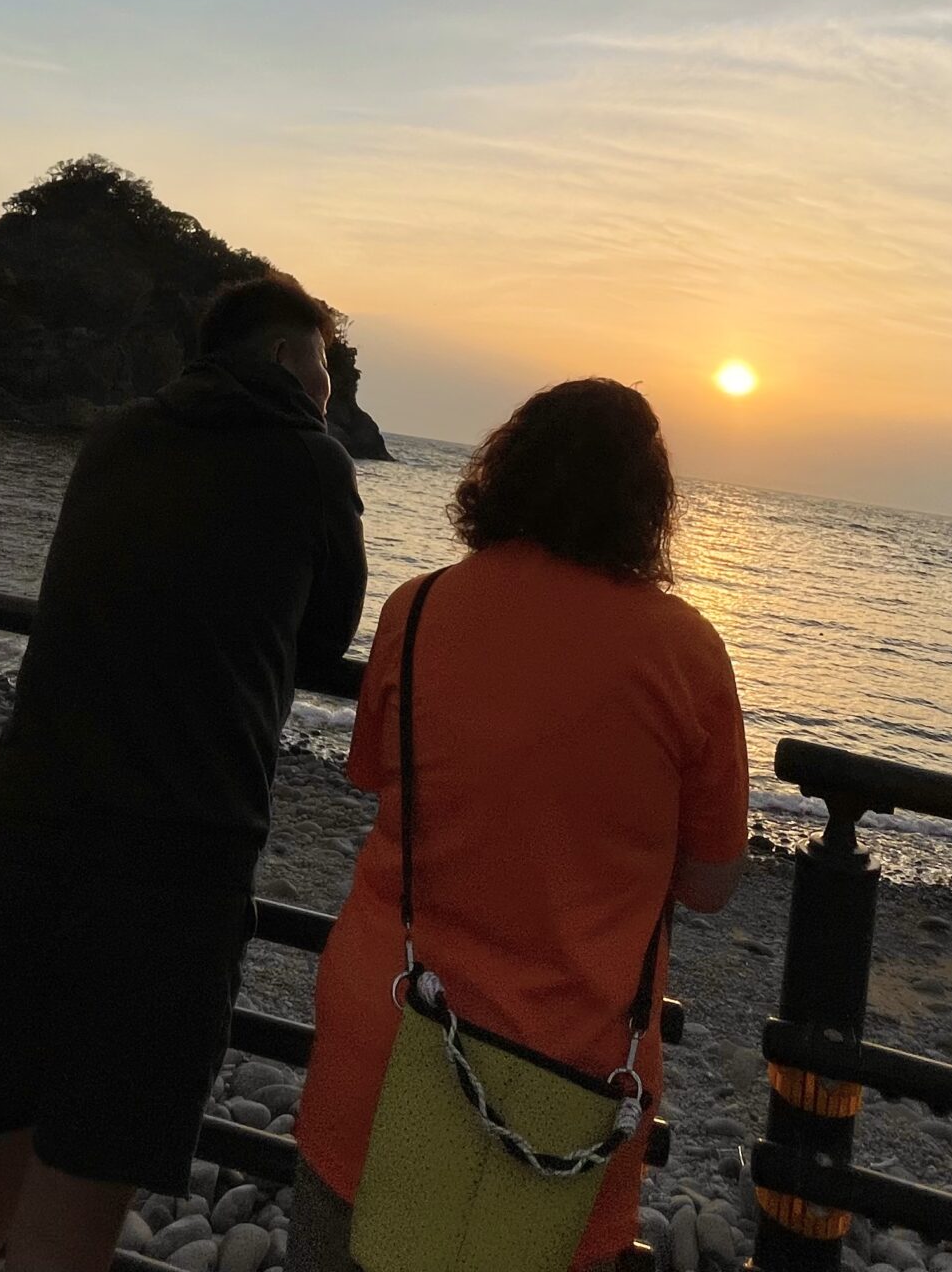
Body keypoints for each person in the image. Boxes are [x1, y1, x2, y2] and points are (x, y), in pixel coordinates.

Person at [0, 270, 367, 1272]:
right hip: (175, 864)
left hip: (21, 829)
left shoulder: (115, 437)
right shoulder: (311, 460)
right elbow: (330, 635)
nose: (329, 388)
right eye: (326, 365)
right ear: (287, 356)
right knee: (75, 1211)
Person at [289, 378, 752, 1272]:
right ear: (649, 504)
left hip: (390, 1029)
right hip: (565, 1078)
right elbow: (710, 882)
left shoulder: (419, 608)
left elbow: (376, 776)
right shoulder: (688, 653)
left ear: (502, 471)